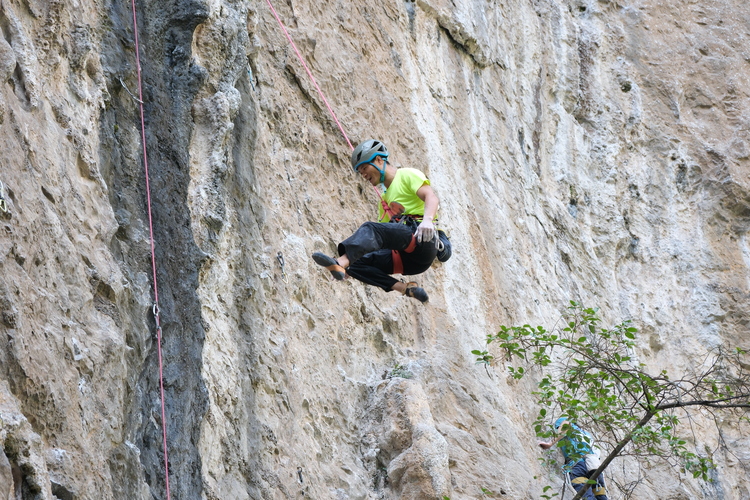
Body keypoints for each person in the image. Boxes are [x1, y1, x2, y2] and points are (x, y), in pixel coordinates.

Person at [311, 139, 444, 303]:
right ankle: (406, 289)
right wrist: (356, 267)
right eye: (360, 172)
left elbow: (431, 196)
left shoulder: (407, 175)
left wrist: (428, 220)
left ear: (380, 160)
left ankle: (340, 262)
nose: (364, 175)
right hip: (409, 260)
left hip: (422, 239)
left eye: (365, 168)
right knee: (356, 264)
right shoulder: (385, 202)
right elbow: (381, 240)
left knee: (371, 229)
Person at [538, 417, 608, 500]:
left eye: (558, 428)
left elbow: (566, 424)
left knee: (586, 495)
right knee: (601, 496)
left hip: (579, 465)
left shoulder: (567, 425)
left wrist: (550, 443)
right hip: (594, 466)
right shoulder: (586, 435)